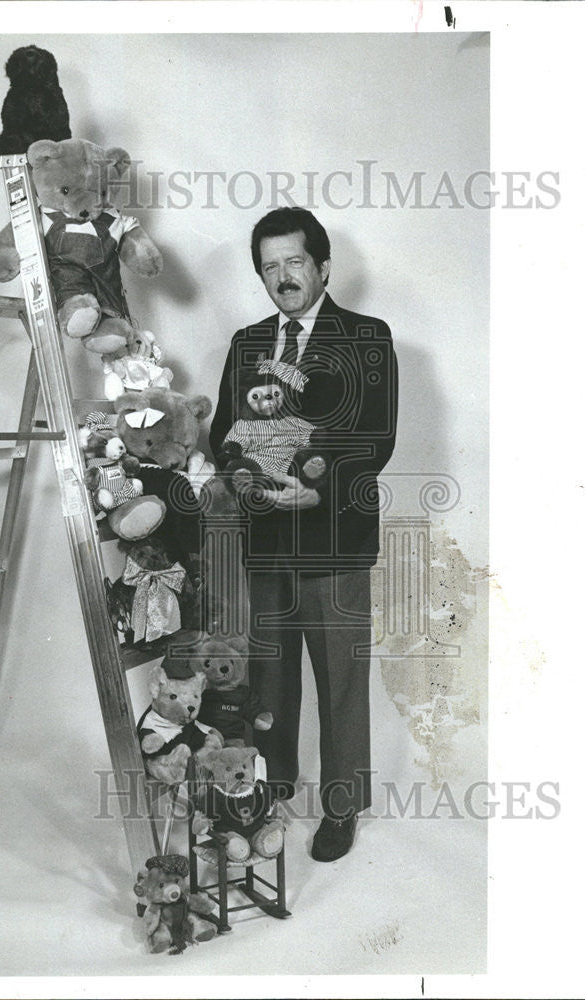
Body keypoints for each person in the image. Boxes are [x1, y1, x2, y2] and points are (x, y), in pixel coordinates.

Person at [209, 207, 398, 861]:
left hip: (335, 538)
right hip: (265, 540)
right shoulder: (247, 342)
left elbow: (375, 439)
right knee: (270, 678)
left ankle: (341, 809)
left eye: (293, 262)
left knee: (339, 680)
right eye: (269, 267)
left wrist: (317, 487)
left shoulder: (366, 337)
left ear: (321, 266)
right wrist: (240, 477)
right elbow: (220, 440)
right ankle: (271, 786)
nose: (281, 277)